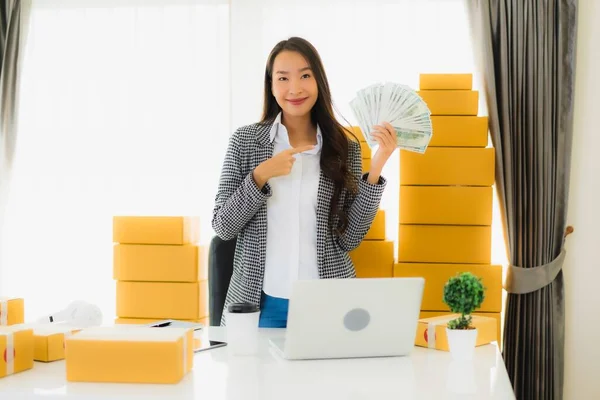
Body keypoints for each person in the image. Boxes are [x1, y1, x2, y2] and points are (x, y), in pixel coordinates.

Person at [212, 36, 397, 328]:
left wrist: (376, 167)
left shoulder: (343, 146)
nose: (295, 88)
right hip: (260, 304)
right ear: (271, 86)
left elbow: (349, 239)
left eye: (305, 76)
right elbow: (222, 225)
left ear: (318, 82)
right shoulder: (245, 142)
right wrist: (261, 176)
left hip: (327, 302)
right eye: (283, 78)